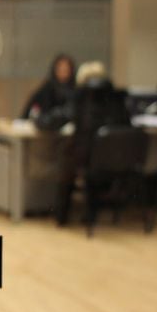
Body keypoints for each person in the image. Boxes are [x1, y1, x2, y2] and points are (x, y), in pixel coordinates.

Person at [54, 61, 132, 226]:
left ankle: (61, 216)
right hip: (118, 158)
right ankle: (92, 212)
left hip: (86, 157)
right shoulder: (118, 98)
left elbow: (65, 118)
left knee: (66, 160)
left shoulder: (80, 98)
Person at [21, 53, 77, 130]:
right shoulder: (47, 89)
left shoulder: (75, 90)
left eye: (66, 69)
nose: (63, 72)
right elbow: (32, 111)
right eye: (60, 69)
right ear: (55, 70)